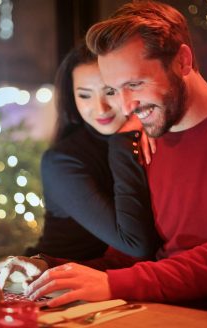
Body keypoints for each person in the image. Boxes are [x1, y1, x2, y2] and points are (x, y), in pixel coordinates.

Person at [0, 0, 207, 319]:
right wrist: (48, 271)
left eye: (135, 84)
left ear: (182, 61)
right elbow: (129, 261)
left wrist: (113, 283)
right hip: (165, 311)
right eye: (115, 89)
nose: (125, 107)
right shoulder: (149, 139)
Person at [21, 43, 161, 263]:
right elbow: (136, 244)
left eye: (110, 92)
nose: (101, 108)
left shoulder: (152, 137)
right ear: (72, 98)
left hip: (109, 285)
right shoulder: (62, 161)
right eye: (84, 95)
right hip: (53, 281)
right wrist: (123, 140)